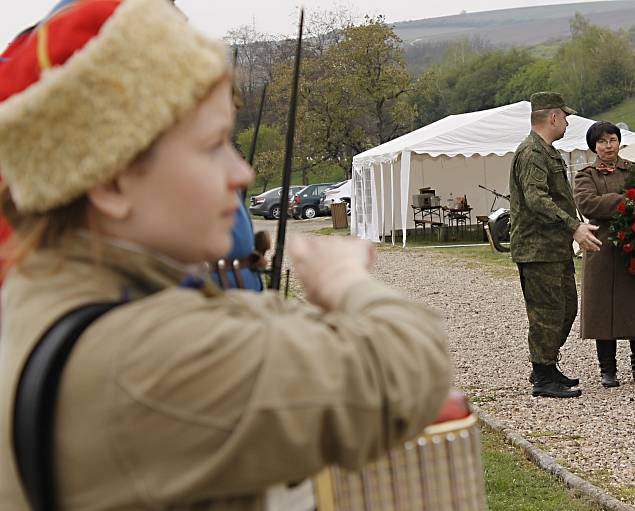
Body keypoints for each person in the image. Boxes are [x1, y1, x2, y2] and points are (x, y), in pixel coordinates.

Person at [0, 1, 451, 509]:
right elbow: (407, 369)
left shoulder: (45, 286)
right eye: (213, 144)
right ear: (110, 180)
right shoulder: (148, 359)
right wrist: (346, 282)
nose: (241, 175)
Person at [509, 91, 602, 399]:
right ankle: (543, 375)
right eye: (565, 117)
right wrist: (573, 226)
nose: (566, 122)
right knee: (547, 313)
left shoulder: (545, 151)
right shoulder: (532, 153)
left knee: (565, 310)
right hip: (538, 249)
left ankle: (546, 366)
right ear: (553, 117)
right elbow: (536, 199)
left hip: (553, 247)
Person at [573, 121, 635, 387]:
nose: (608, 146)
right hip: (602, 247)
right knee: (604, 313)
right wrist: (627, 200)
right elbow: (587, 203)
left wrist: (621, 200)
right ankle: (608, 370)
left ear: (619, 142)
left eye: (612, 140)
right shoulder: (586, 175)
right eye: (602, 141)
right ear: (594, 145)